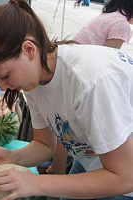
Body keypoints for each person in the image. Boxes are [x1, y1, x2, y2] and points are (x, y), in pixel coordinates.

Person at [0, 0, 133, 199]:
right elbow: (45, 145)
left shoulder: (89, 81)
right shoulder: (35, 79)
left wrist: (37, 183)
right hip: (91, 162)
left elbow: (124, 177)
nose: (2, 87)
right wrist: (12, 157)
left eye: (5, 75)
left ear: (29, 50)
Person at [49, 0, 133, 176]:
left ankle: (57, 173)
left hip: (66, 70)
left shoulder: (107, 16)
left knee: (64, 132)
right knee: (67, 132)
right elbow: (108, 61)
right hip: (80, 76)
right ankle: (58, 174)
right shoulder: (121, 24)